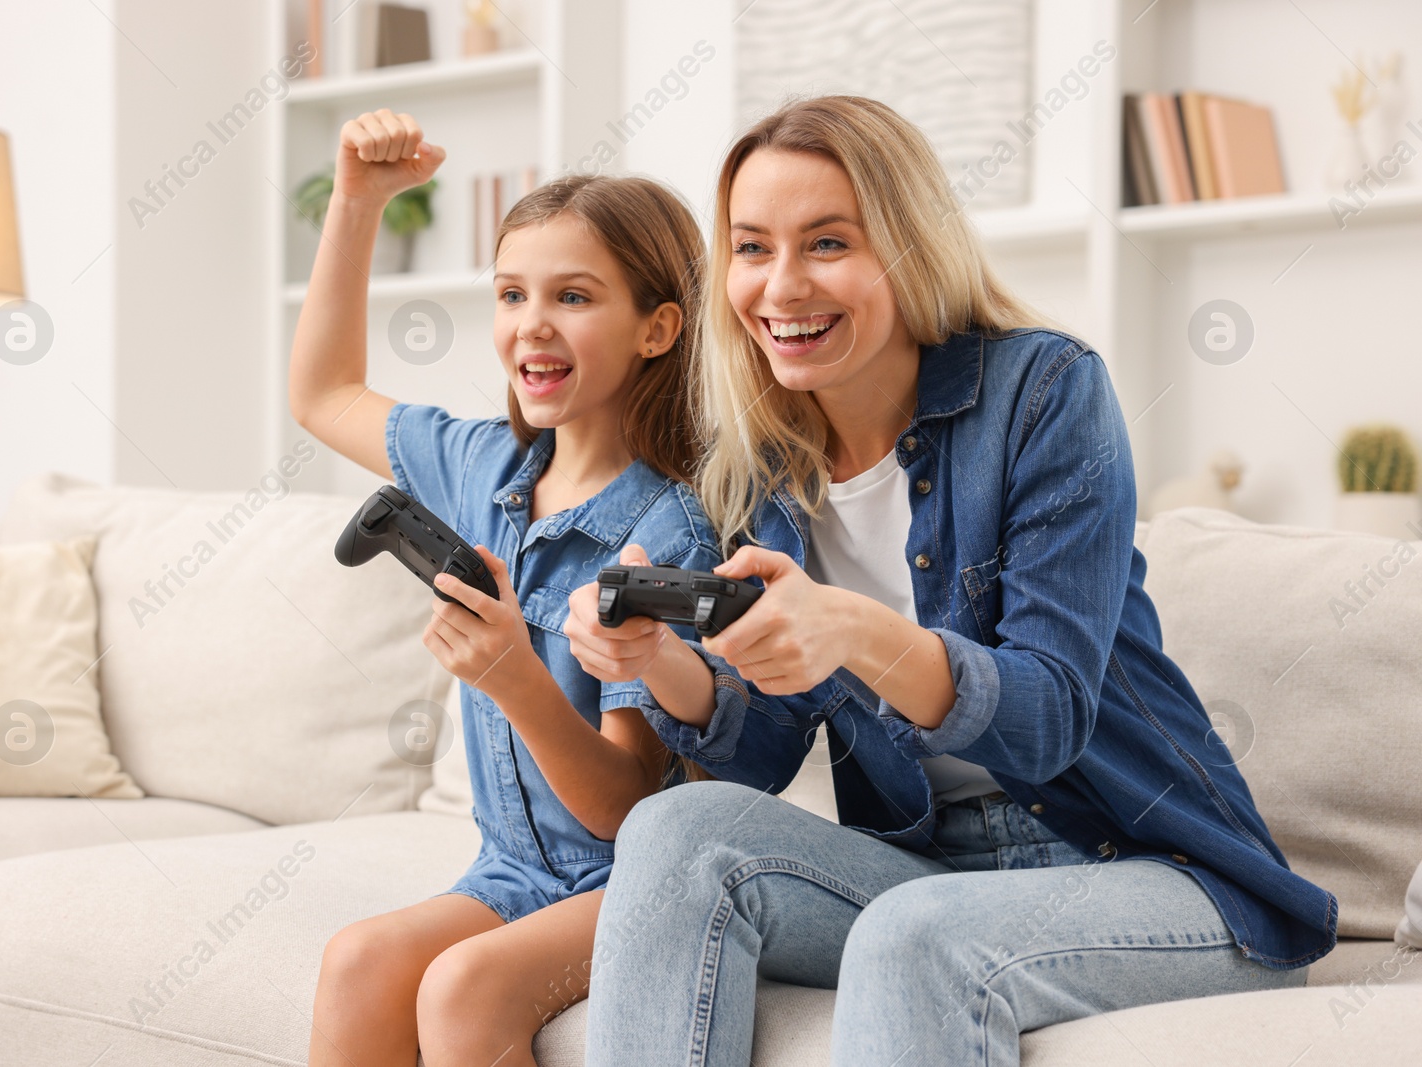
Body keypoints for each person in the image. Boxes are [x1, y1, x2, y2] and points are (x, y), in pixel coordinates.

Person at [563, 95, 1337, 1067]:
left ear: (906, 246)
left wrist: (849, 628)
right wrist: (662, 660)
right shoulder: (756, 471)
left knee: (914, 933)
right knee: (678, 831)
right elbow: (760, 753)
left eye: (828, 242)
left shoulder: (1044, 392)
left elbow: (1048, 715)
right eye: (752, 248)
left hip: (1151, 871)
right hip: (929, 864)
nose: (781, 286)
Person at [288, 108, 724, 1067]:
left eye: (573, 296)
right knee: (357, 961)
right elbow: (322, 392)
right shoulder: (482, 467)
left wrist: (514, 676)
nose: (532, 323)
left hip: (633, 880)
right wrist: (357, 202)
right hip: (513, 871)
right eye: (511, 293)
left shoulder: (666, 533)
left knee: (463, 984)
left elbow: (624, 808)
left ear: (659, 328)